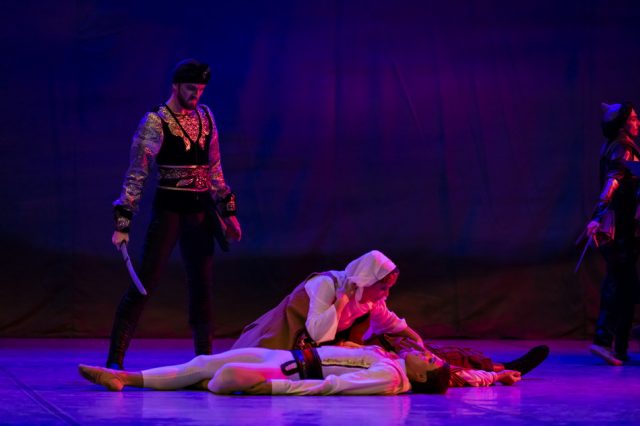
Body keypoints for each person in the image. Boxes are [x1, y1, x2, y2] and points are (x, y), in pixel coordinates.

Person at [106, 58, 242, 370]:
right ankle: (114, 361)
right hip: (169, 210)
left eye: (201, 90)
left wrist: (228, 212)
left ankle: (204, 361)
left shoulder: (206, 116)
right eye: (191, 88)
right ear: (176, 86)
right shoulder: (156, 121)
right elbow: (137, 173)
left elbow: (215, 169)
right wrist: (123, 222)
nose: (196, 95)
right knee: (145, 282)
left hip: (200, 212)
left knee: (202, 286)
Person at [79, 345, 522, 395]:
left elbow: (334, 385)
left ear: (421, 376)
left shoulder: (390, 377)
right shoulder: (392, 361)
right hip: (282, 355)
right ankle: (125, 377)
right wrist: (494, 377)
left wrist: (273, 389)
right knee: (203, 364)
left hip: (290, 371)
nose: (425, 353)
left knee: (218, 379)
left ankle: (127, 380)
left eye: (429, 361)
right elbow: (457, 374)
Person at [232, 250, 424, 351]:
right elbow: (317, 333)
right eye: (383, 287)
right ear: (367, 280)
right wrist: (342, 301)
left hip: (304, 350)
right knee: (245, 365)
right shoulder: (327, 284)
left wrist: (417, 340)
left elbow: (391, 323)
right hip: (280, 337)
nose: (386, 294)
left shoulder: (370, 301)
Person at [585, 102, 640, 366]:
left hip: (625, 228)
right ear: (621, 124)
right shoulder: (622, 147)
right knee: (618, 284)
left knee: (627, 286)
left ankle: (619, 346)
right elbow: (613, 181)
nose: (638, 122)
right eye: (633, 118)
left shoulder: (614, 145)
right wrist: (597, 216)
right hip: (621, 229)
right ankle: (604, 340)